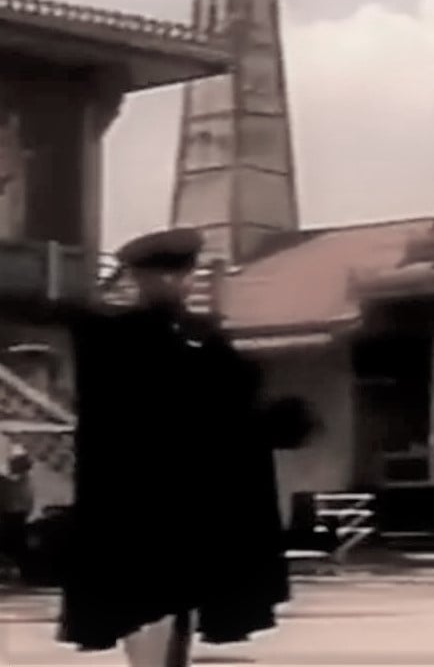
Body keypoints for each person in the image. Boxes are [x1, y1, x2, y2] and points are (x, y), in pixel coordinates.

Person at [46, 227, 319, 667]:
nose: (175, 282)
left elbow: (233, 408)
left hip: (192, 509)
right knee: (147, 611)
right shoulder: (114, 338)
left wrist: (272, 423)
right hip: (142, 507)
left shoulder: (202, 339)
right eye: (162, 274)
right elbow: (138, 417)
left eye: (182, 273)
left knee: (179, 610)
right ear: (141, 278)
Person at [0, 452, 35, 580]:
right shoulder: (26, 481)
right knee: (16, 544)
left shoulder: (9, 482)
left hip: (12, 516)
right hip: (18, 516)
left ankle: (13, 568)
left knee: (11, 543)